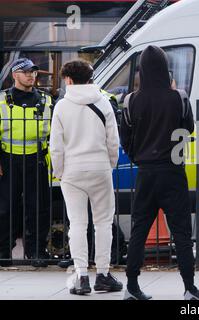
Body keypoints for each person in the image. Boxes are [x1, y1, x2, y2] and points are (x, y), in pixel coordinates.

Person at [120, 45, 199, 300]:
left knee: (139, 229)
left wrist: (139, 157)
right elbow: (187, 129)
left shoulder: (131, 100)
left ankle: (132, 286)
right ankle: (189, 287)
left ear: (142, 71)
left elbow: (126, 139)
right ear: (165, 69)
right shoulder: (179, 97)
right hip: (173, 171)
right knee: (181, 232)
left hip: (145, 172)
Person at [50, 60, 122, 295]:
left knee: (77, 224)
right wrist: (110, 164)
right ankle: (103, 274)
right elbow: (113, 141)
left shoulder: (61, 106)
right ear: (90, 78)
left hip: (72, 171)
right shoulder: (103, 102)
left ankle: (81, 276)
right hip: (100, 168)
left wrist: (59, 172)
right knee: (103, 223)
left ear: (69, 80)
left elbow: (56, 146)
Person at [0, 58, 52, 268]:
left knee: (38, 208)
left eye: (33, 72)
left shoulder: (46, 100)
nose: (31, 75)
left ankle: (36, 252)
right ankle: (4, 253)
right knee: (5, 209)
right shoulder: (2, 100)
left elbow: (54, 134)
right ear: (14, 75)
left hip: (37, 159)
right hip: (8, 159)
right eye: (25, 72)